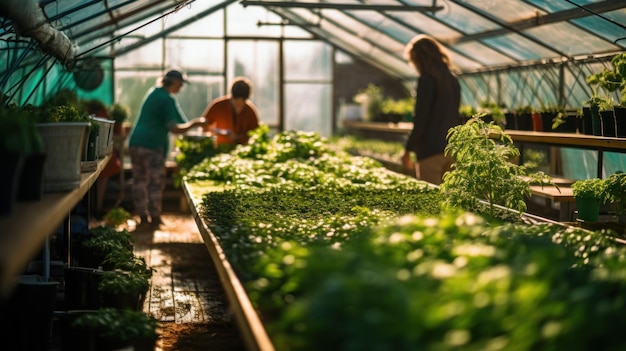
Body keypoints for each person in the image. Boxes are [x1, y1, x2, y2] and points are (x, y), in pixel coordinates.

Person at [128, 69, 206, 231]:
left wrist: (191, 124)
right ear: (172, 82)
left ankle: (143, 217)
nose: (181, 87)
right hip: (151, 144)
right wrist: (196, 124)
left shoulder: (155, 93)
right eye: (180, 83)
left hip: (135, 142)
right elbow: (175, 128)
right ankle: (155, 218)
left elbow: (181, 120)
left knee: (140, 180)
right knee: (155, 181)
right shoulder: (166, 99)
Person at [401, 34, 461, 185]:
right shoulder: (452, 78)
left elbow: (421, 119)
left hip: (431, 151)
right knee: (449, 202)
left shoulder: (427, 79)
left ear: (419, 58)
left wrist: (408, 150)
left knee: (432, 203)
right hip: (451, 149)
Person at [201, 77, 260, 146]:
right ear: (231, 96)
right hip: (218, 148)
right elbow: (204, 125)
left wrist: (238, 138)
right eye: (235, 102)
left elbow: (256, 134)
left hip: (241, 150)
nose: (237, 107)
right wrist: (214, 131)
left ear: (245, 100)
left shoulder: (250, 112)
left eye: (240, 104)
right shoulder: (218, 106)